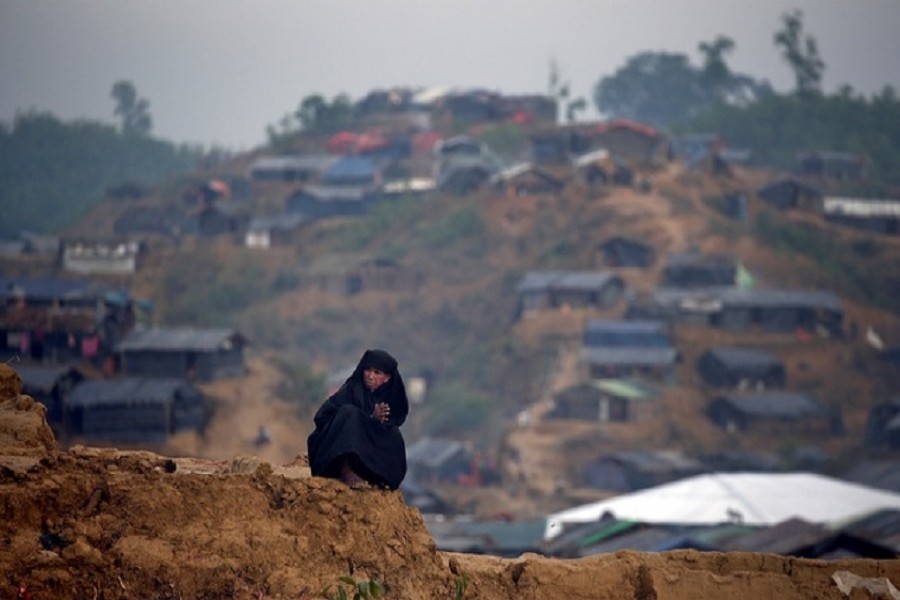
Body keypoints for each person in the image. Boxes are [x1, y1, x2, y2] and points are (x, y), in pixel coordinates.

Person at [307, 349, 409, 489]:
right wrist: (369, 417)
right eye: (368, 370)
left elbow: (391, 422)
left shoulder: (389, 399)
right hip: (331, 453)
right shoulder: (352, 390)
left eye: (377, 373)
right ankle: (346, 471)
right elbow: (322, 417)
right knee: (350, 414)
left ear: (387, 378)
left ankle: (380, 478)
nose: (370, 376)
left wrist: (375, 422)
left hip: (365, 457)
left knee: (393, 435)